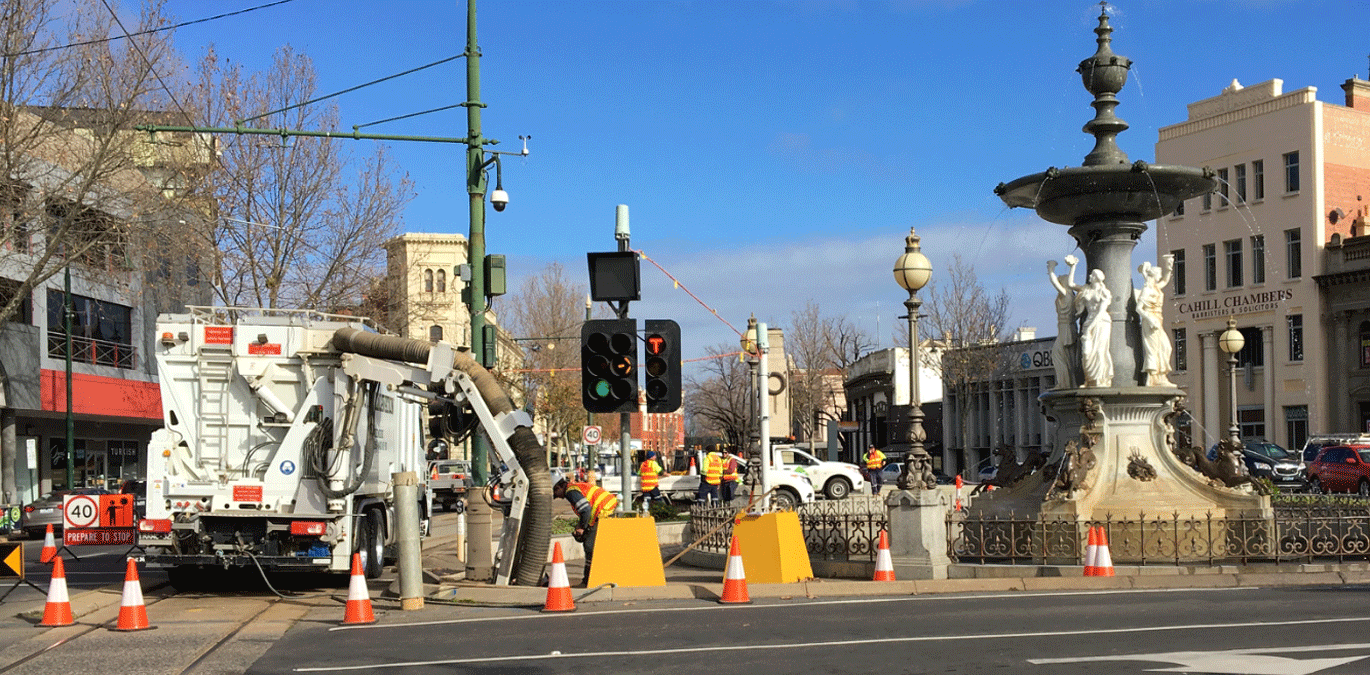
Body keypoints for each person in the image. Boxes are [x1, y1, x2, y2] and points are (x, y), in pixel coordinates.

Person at [553, 471, 618, 584]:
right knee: (593, 544)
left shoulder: (570, 492)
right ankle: (590, 578)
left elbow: (585, 510)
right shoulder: (574, 488)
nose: (557, 497)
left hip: (604, 511)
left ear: (558, 487)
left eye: (555, 493)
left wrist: (582, 527)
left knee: (590, 546)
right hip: (607, 508)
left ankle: (588, 580)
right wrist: (581, 524)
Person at [1135, 254, 1175, 387]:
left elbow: (1166, 280)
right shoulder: (1147, 290)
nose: (1160, 276)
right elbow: (1138, 309)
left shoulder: (1156, 287)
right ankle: (1152, 379)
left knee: (1165, 347)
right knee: (1153, 349)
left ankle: (1161, 376)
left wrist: (1168, 266)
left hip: (1158, 320)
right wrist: (1150, 320)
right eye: (1159, 273)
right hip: (1150, 321)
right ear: (1153, 275)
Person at [1073, 268, 1114, 388]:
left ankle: (1099, 379)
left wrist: (1090, 327)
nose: (1089, 276)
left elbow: (1101, 312)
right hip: (1089, 321)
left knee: (1100, 351)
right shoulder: (1086, 290)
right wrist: (1073, 267)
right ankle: (1089, 379)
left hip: (1102, 322)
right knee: (1086, 353)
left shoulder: (1104, 292)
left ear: (1096, 277)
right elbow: (1071, 284)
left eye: (1092, 275)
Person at [1047, 255, 1081, 389]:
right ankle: (1071, 383)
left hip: (1065, 328)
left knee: (1057, 353)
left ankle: (1064, 383)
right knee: (1070, 359)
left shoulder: (1065, 294)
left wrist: (1051, 269)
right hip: (1071, 327)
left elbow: (1053, 282)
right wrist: (1073, 266)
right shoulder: (1072, 297)